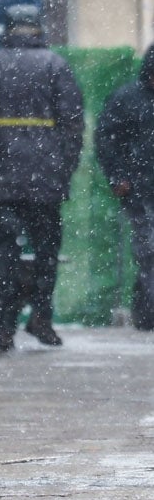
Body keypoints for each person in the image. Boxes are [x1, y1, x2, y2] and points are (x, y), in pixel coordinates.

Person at [0, 4, 84, 352]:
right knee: (46, 251)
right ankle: (41, 317)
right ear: (38, 29)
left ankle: (3, 328)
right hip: (46, 182)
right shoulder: (56, 65)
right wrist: (62, 167)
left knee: (6, 254)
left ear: (8, 29)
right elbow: (73, 124)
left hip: (3, 181)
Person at [95, 44, 154, 330]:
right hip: (139, 189)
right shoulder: (128, 99)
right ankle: (148, 312)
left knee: (148, 253)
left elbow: (106, 138)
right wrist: (118, 176)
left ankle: (146, 312)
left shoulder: (127, 98)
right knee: (148, 251)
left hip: (137, 185)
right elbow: (107, 139)